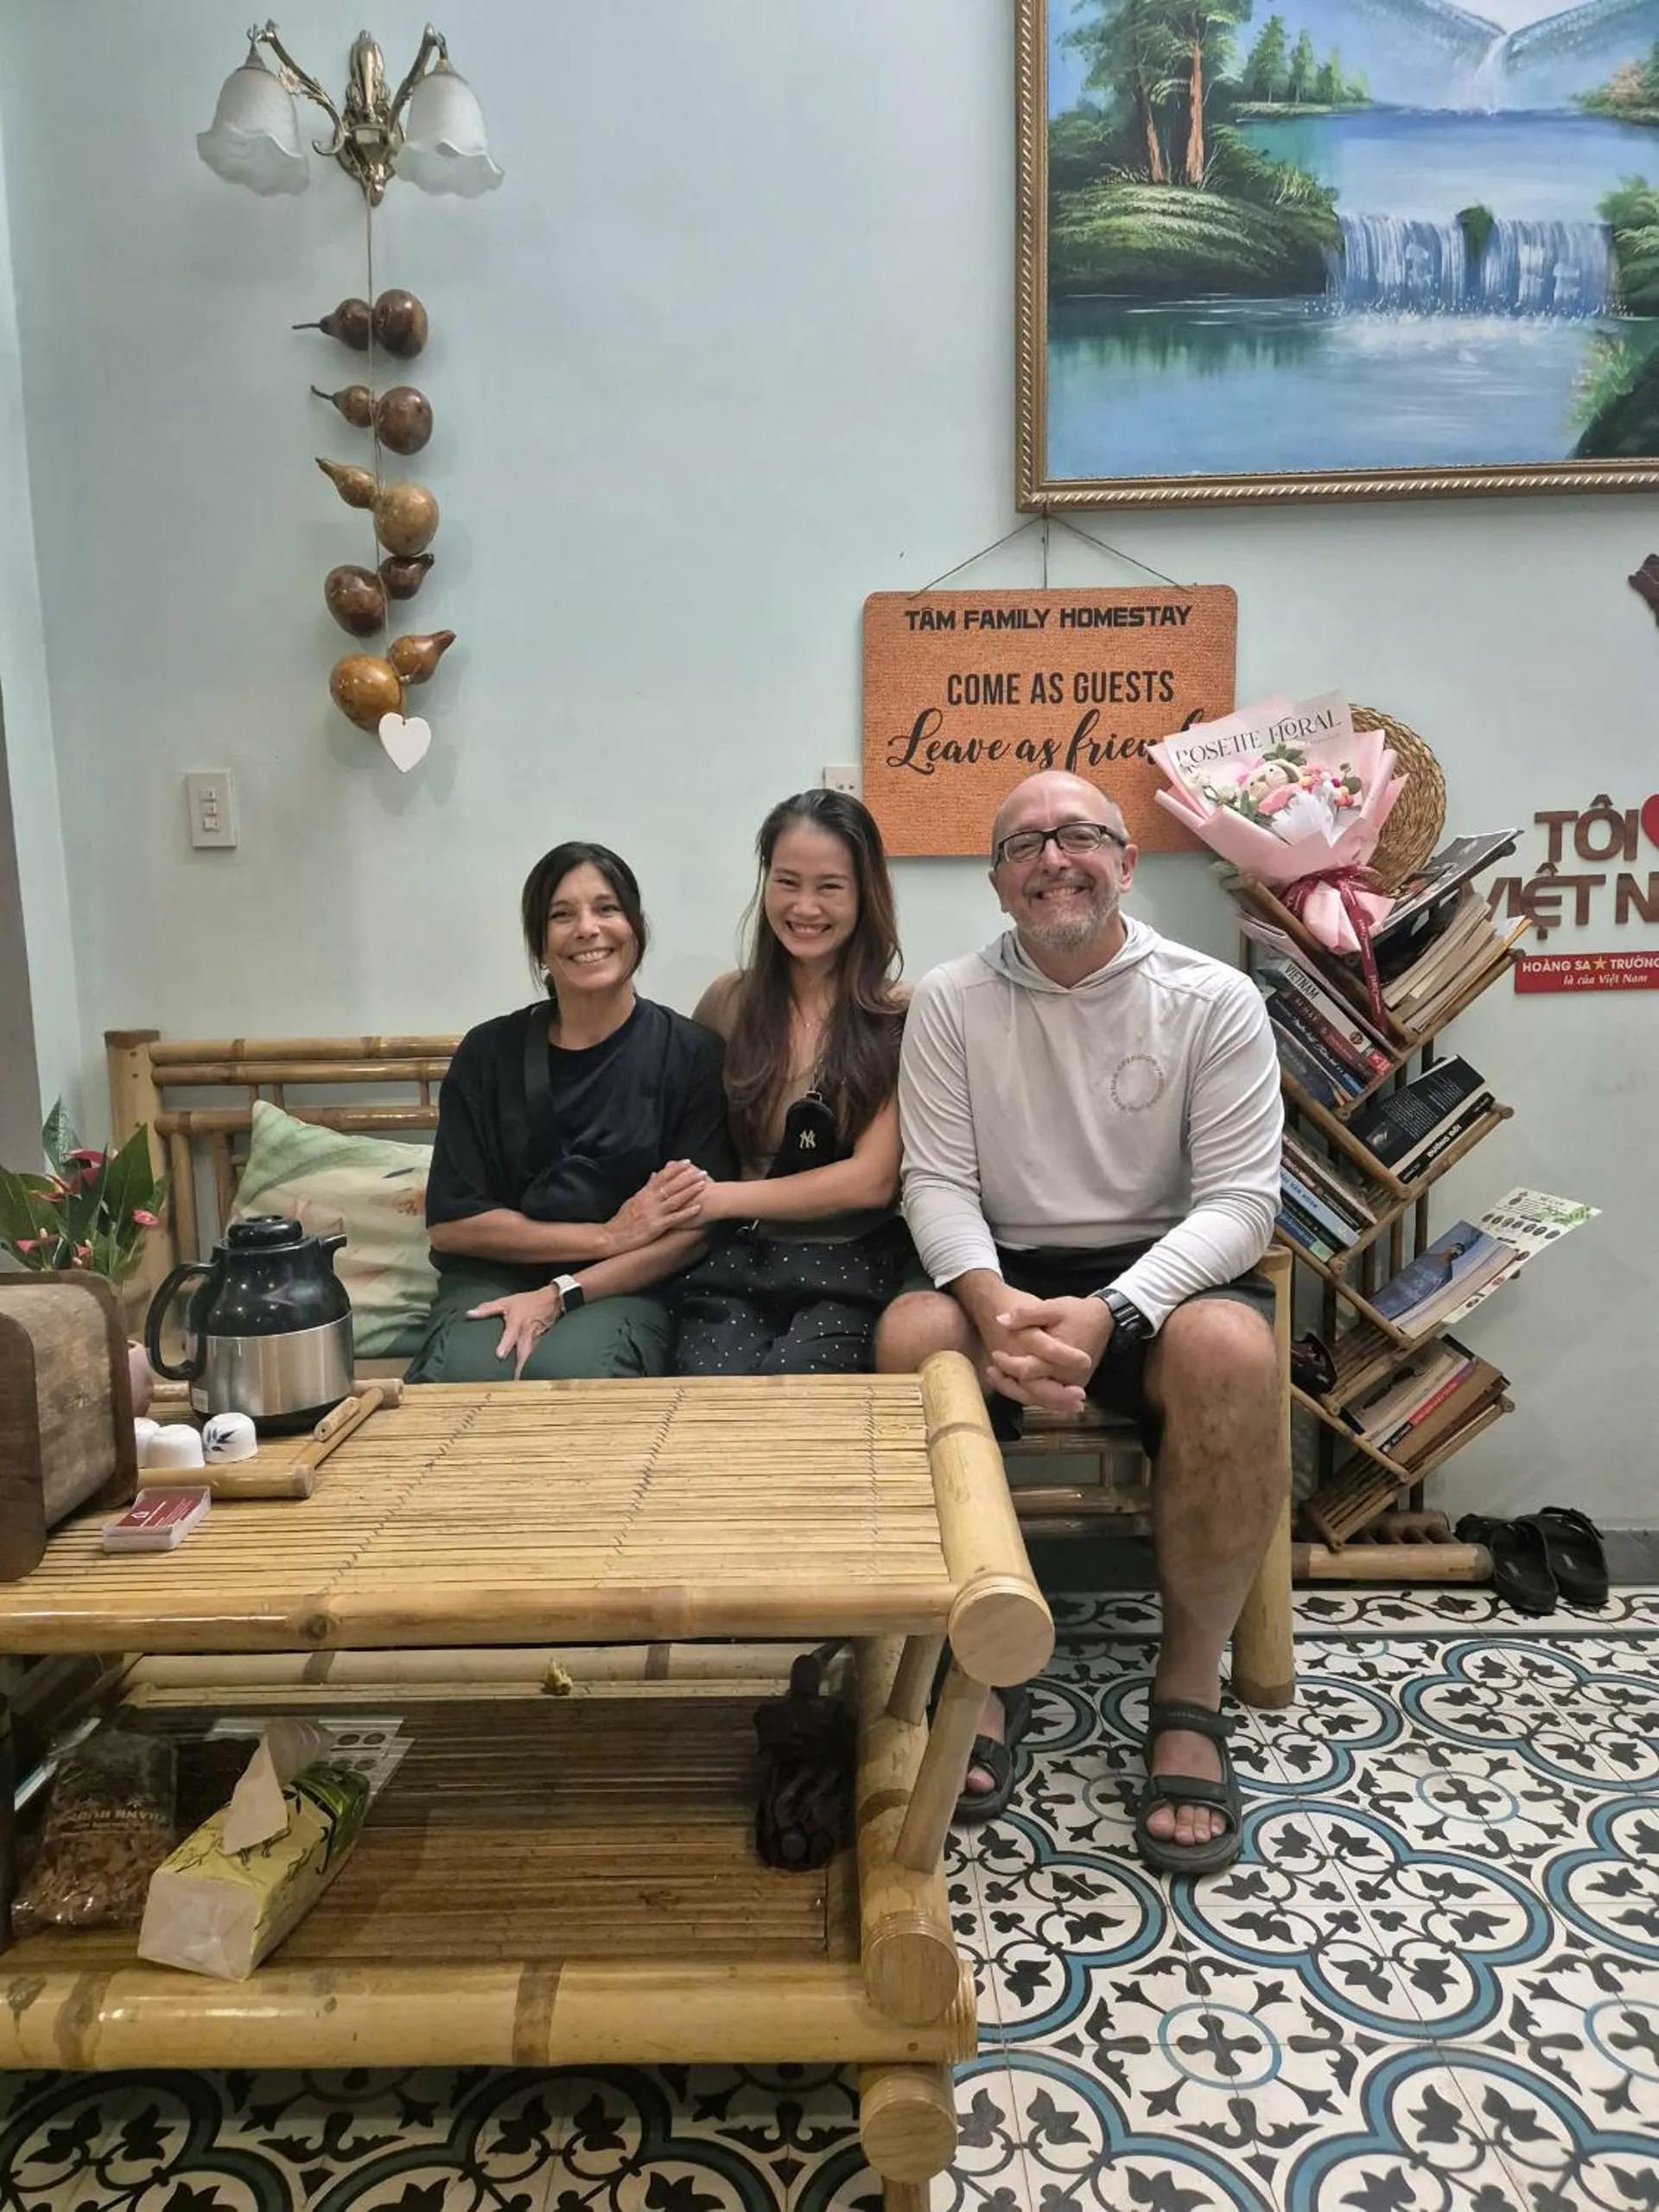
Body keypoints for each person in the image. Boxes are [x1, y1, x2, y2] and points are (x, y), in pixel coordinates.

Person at [875, 770, 1283, 1873]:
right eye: (1024, 845)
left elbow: (1246, 1200)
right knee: (914, 1341)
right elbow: (937, 1182)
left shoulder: (1211, 999)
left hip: (1160, 1275)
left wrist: (1116, 1310)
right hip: (1000, 1272)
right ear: (998, 881)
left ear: (1127, 861)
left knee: (1235, 1346)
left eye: (1079, 837)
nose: (1053, 859)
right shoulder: (953, 1001)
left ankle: (1188, 1683)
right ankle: (981, 1664)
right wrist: (992, 1304)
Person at [406, 841, 734, 1383]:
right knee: (472, 1368)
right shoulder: (488, 1054)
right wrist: (608, 1234)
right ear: (539, 944)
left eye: (606, 909)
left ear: (635, 927)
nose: (587, 928)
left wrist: (565, 1289)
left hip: (623, 1285)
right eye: (562, 915)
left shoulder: (692, 1054)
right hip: (493, 1277)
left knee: (574, 1375)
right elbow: (454, 1225)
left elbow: (692, 1233)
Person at [674, 789, 910, 1376]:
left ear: (864, 893)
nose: (805, 906)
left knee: (804, 1388)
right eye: (787, 882)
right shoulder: (728, 1002)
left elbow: (870, 1181)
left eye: (829, 886)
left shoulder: (899, 1014)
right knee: (709, 1391)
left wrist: (719, 1200)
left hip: (851, 1264)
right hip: (736, 1263)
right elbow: (694, 1141)